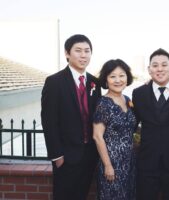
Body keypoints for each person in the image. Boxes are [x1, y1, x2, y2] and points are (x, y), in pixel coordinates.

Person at [41, 34, 100, 200]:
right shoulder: (54, 82)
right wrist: (57, 156)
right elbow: (49, 121)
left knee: (82, 195)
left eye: (87, 51)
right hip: (66, 157)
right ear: (67, 54)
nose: (83, 55)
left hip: (89, 156)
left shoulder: (95, 83)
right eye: (78, 51)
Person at [132, 48, 169, 200]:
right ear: (149, 69)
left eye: (164, 65)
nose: (160, 69)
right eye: (155, 65)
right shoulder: (138, 93)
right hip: (147, 163)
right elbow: (133, 124)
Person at [93, 59, 136, 200]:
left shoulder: (128, 99)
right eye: (112, 76)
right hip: (112, 164)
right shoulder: (103, 104)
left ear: (127, 77)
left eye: (122, 75)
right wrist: (108, 165)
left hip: (129, 163)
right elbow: (97, 137)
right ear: (106, 80)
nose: (118, 80)